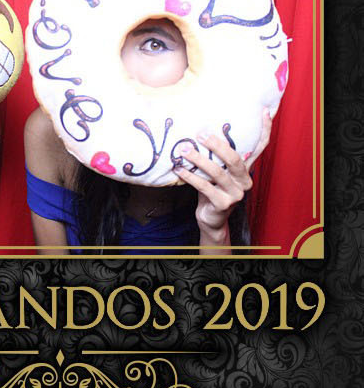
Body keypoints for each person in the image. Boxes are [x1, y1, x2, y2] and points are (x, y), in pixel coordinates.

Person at [24, 17, 272, 255]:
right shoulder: (50, 133)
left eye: (154, 45)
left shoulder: (225, 140)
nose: (121, 70)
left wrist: (215, 232)